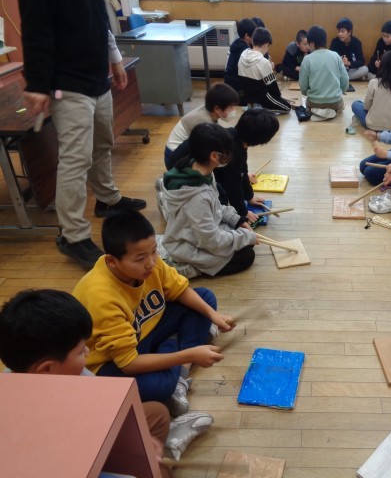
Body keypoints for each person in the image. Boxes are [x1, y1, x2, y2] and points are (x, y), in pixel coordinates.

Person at [0, 289, 216, 477]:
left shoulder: (49, 375)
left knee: (158, 413)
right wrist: (135, 451)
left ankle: (163, 447)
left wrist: (137, 439)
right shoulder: (24, 420)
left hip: (93, 434)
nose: (88, 352)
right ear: (47, 368)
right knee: (157, 469)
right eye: (80, 351)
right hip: (81, 460)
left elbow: (102, 407)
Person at [18, 0, 146, 270]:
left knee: (103, 143)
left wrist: (115, 59)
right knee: (76, 160)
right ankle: (73, 236)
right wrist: (38, 84)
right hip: (66, 84)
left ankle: (107, 199)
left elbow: (101, 22)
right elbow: (35, 33)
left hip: (97, 78)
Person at [72, 210, 236, 417]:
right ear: (112, 261)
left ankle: (180, 372)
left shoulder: (149, 263)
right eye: (140, 258)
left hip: (146, 333)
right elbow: (129, 364)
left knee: (205, 298)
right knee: (159, 387)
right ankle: (177, 347)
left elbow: (179, 289)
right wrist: (191, 354)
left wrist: (214, 316)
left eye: (154, 251)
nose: (151, 262)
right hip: (112, 361)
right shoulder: (100, 296)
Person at [161, 123, 258, 280]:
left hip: (200, 231)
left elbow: (217, 206)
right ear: (214, 156)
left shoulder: (199, 169)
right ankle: (189, 268)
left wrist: (238, 220)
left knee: (246, 241)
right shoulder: (197, 197)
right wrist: (245, 237)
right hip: (188, 245)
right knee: (247, 256)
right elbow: (211, 241)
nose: (230, 155)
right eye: (228, 151)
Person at [215, 108, 280, 223]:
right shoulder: (233, 150)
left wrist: (249, 196)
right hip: (193, 182)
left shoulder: (236, 137)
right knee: (222, 204)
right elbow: (233, 186)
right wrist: (243, 213)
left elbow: (242, 171)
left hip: (212, 173)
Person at [164, 83, 239, 169]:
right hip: (174, 158)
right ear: (217, 108)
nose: (233, 110)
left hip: (180, 151)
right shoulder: (203, 122)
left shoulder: (208, 112)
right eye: (230, 107)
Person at [299, 25, 349, 122]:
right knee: (341, 104)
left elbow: (303, 85)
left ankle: (317, 112)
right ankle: (333, 112)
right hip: (334, 103)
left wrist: (306, 93)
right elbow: (345, 79)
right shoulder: (336, 56)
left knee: (307, 104)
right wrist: (342, 90)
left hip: (314, 103)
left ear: (312, 43)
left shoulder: (307, 59)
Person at [238, 27, 291, 113]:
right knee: (287, 107)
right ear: (266, 44)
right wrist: (270, 69)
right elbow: (274, 89)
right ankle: (262, 110)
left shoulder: (243, 55)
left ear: (252, 41)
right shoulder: (264, 62)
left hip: (247, 97)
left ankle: (253, 107)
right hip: (261, 98)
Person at [351, 50, 391, 131]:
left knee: (356, 104)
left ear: (382, 65)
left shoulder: (374, 82)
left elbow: (366, 107)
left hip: (373, 125)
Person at [224, 18, 257, 104]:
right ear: (247, 35)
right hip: (237, 85)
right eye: (253, 35)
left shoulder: (236, 43)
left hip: (229, 82)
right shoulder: (244, 50)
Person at [329, 18, 369, 82]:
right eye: (338, 31)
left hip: (350, 70)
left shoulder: (356, 42)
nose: (340, 34)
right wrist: (340, 61)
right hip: (338, 70)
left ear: (349, 32)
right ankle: (351, 78)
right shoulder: (335, 42)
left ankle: (342, 78)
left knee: (365, 69)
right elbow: (330, 60)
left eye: (342, 31)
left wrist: (349, 63)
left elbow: (361, 61)